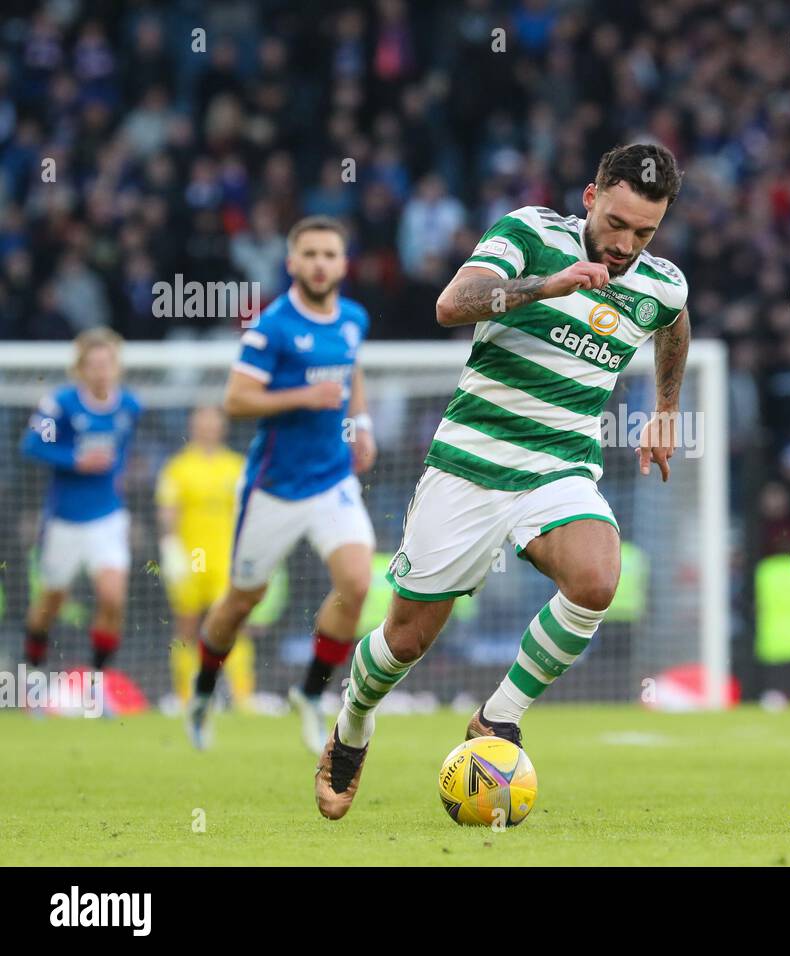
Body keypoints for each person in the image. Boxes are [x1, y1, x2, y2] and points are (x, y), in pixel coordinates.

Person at [314, 143, 690, 820]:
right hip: (471, 463)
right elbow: (452, 304)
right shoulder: (529, 234)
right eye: (617, 223)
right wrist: (544, 287)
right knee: (404, 640)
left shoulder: (658, 282)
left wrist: (665, 410)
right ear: (590, 198)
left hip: (559, 466)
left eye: (645, 233)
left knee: (598, 577)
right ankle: (354, 722)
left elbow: (673, 321)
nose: (626, 244)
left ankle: (497, 719)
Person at [184, 215, 378, 752]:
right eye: (309, 254)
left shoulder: (353, 318)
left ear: (343, 263)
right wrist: (301, 397)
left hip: (332, 480)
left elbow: (351, 371)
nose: (320, 263)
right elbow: (236, 399)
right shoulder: (271, 325)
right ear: (292, 263)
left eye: (329, 254)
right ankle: (202, 692)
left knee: (357, 584)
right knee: (243, 600)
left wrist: (360, 425)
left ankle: (310, 694)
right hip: (274, 486)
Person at [21, 328, 142, 685]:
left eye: (106, 363)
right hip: (65, 520)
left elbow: (121, 450)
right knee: (50, 604)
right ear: (80, 369)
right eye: (92, 364)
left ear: (116, 366)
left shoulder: (129, 406)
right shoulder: (59, 405)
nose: (100, 371)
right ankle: (33, 677)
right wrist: (75, 459)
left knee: (112, 598)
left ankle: (97, 683)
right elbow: (32, 445)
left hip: (108, 517)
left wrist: (116, 473)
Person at [156, 406, 255, 711]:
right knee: (187, 624)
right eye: (202, 423)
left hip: (226, 558)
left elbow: (249, 511)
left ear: (222, 428)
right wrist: (170, 546)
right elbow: (168, 511)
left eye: (213, 423)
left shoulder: (237, 466)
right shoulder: (178, 468)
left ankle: (242, 696)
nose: (208, 429)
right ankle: (187, 696)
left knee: (234, 623)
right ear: (193, 426)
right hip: (191, 559)